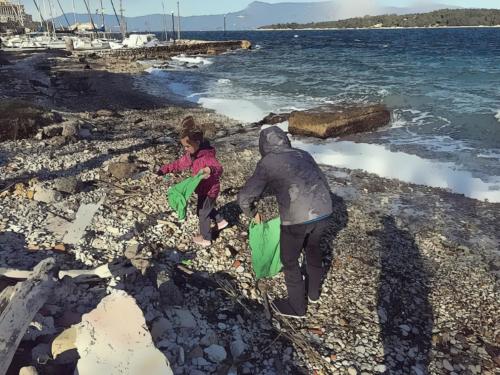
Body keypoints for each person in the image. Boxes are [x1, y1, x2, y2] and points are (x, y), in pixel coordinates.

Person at [238, 126, 333, 319]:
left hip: (297, 219)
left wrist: (252, 213)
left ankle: (297, 308)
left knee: (289, 261)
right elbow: (319, 180)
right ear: (285, 140)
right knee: (313, 248)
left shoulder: (267, 162)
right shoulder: (303, 154)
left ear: (263, 145)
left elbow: (245, 197)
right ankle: (314, 294)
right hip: (325, 209)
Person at [158, 116, 228, 247]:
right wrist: (164, 170)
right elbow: (179, 164)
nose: (185, 149)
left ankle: (206, 239)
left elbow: (219, 168)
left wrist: (210, 169)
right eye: (184, 146)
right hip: (202, 189)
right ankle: (220, 221)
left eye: (187, 146)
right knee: (204, 210)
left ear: (197, 142)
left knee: (202, 213)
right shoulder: (192, 155)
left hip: (210, 190)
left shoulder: (207, 156)